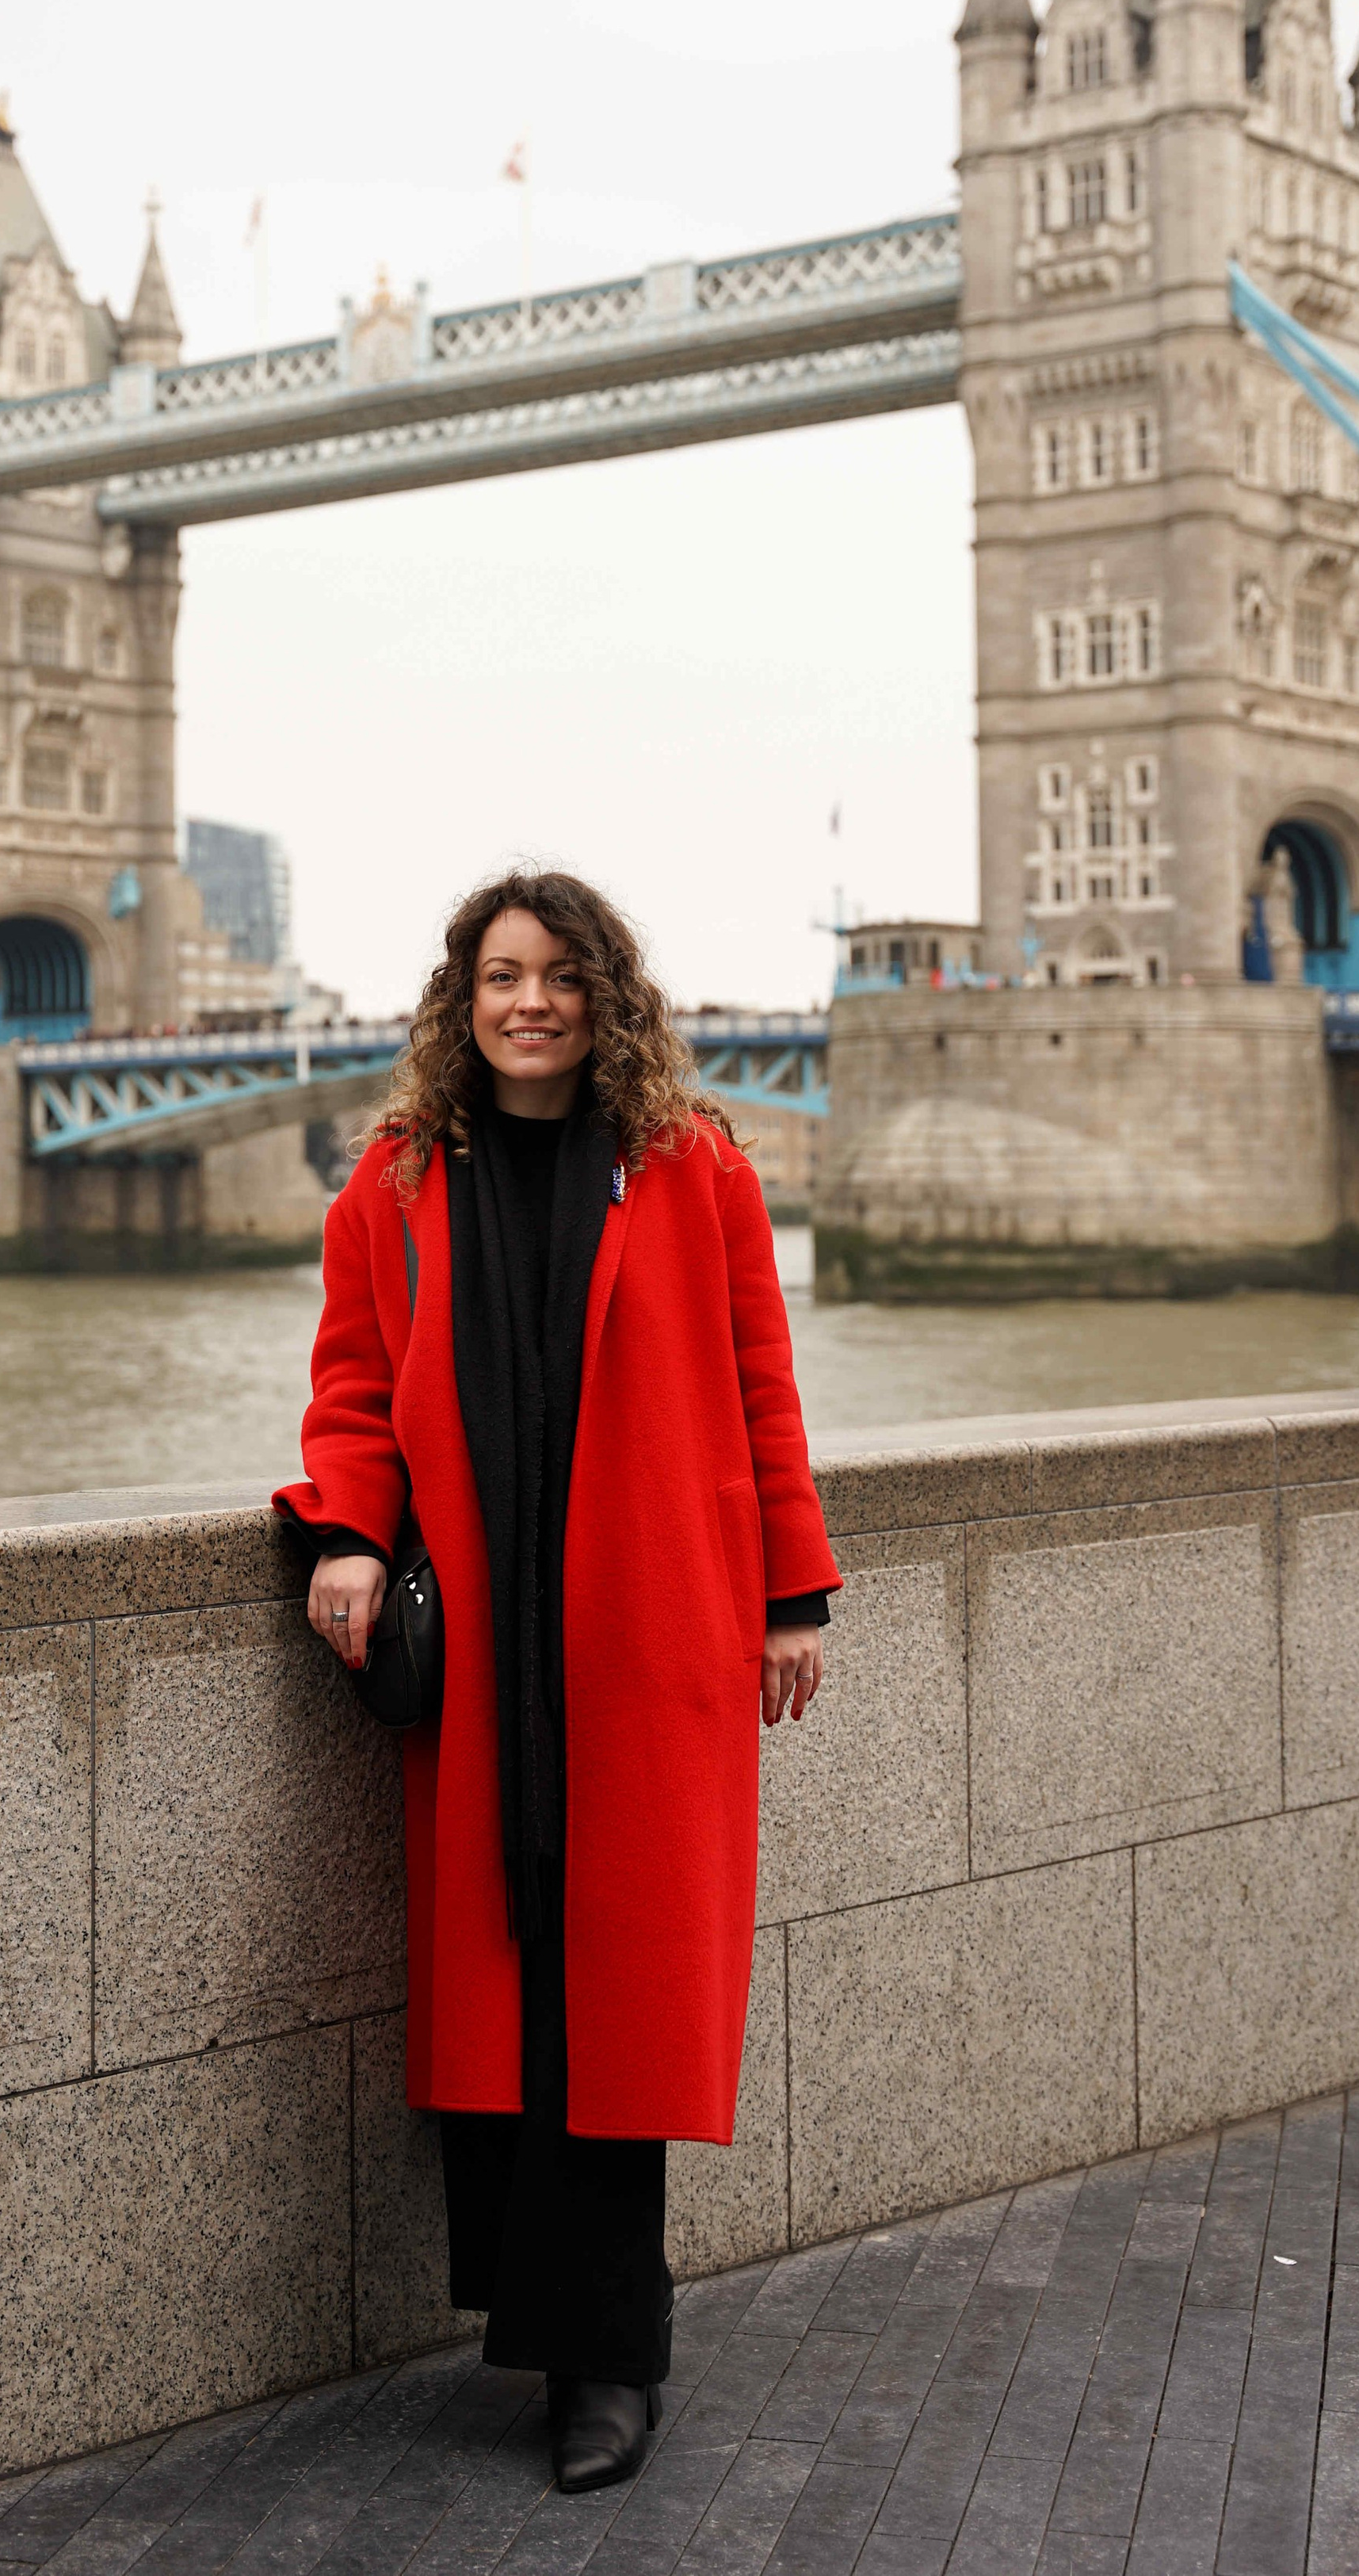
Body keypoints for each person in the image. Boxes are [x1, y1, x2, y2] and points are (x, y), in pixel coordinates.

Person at [277, 871, 840, 2496]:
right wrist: (346, 1533)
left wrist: (790, 1589)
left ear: (607, 997)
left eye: (560, 977)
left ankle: (608, 2358)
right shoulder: (389, 1181)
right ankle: (535, 2328)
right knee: (513, 1978)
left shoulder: (690, 1165)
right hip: (485, 1634)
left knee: (617, 1985)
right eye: (499, 976)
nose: (528, 1003)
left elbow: (757, 1382)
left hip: (645, 1625)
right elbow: (353, 1387)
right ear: (462, 1000)